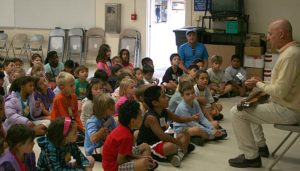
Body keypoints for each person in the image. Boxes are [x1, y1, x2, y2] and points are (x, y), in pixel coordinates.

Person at [229, 19, 300, 168]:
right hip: (287, 104)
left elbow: (279, 91)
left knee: (236, 112)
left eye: (270, 33)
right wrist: (262, 83)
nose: (267, 37)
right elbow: (282, 86)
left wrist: (258, 84)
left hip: (288, 110)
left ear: (281, 34)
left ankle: (251, 156)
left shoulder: (290, 56)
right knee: (251, 104)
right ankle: (261, 146)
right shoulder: (291, 52)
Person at [136, 86, 198, 167]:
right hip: (149, 145)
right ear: (155, 102)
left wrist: (191, 118)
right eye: (163, 97)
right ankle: (180, 151)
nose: (167, 98)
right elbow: (162, 136)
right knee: (171, 146)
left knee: (185, 135)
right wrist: (178, 142)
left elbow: (178, 118)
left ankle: (177, 154)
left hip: (161, 141)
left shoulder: (165, 111)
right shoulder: (151, 117)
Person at [102, 100, 158, 171]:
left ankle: (147, 165)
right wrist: (139, 158)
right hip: (113, 167)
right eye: (140, 115)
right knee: (144, 162)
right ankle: (146, 165)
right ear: (133, 121)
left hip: (119, 156)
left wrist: (139, 157)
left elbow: (126, 153)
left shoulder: (124, 128)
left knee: (145, 146)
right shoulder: (126, 136)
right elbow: (120, 161)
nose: (142, 117)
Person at [174, 81, 225, 146]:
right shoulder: (182, 107)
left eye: (192, 93)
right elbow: (192, 124)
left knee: (215, 123)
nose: (191, 95)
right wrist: (211, 132)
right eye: (188, 94)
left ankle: (199, 137)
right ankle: (211, 137)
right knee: (197, 130)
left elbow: (202, 118)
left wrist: (212, 128)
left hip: (196, 123)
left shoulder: (195, 102)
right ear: (182, 95)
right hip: (183, 128)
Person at [50, 72, 85, 145]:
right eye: (71, 86)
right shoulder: (59, 99)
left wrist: (80, 127)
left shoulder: (74, 96)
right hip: (60, 126)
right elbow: (64, 117)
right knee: (79, 139)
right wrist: (75, 128)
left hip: (70, 122)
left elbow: (76, 114)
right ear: (62, 87)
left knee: (85, 135)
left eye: (74, 85)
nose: (74, 87)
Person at [85, 94, 116, 162]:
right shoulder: (92, 121)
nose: (114, 110)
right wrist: (101, 132)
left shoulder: (110, 118)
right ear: (102, 109)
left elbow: (115, 132)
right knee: (110, 153)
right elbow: (93, 138)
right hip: (93, 150)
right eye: (111, 108)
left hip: (105, 145)